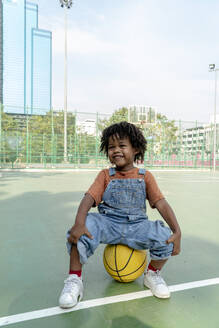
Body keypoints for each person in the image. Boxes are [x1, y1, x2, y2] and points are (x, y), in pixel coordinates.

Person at [58, 121, 181, 308]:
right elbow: (89, 198)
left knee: (165, 237)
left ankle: (152, 274)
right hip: (109, 223)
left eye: (122, 145)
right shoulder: (106, 175)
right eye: (111, 147)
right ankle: (74, 280)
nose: (116, 150)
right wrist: (79, 223)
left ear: (136, 149)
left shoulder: (144, 176)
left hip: (137, 225)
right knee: (81, 232)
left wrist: (177, 230)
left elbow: (161, 203)